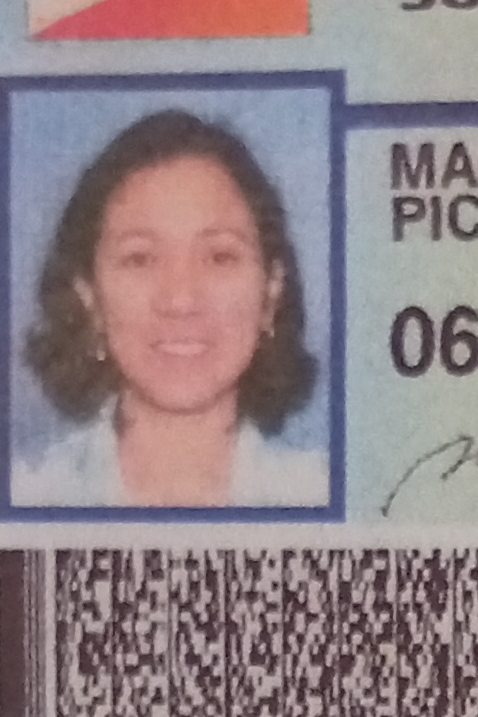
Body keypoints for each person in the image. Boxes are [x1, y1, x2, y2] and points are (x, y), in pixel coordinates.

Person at [17, 106, 327, 509]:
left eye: (219, 257)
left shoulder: (325, 493)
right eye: (140, 259)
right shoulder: (26, 495)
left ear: (271, 292)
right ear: (88, 297)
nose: (181, 300)